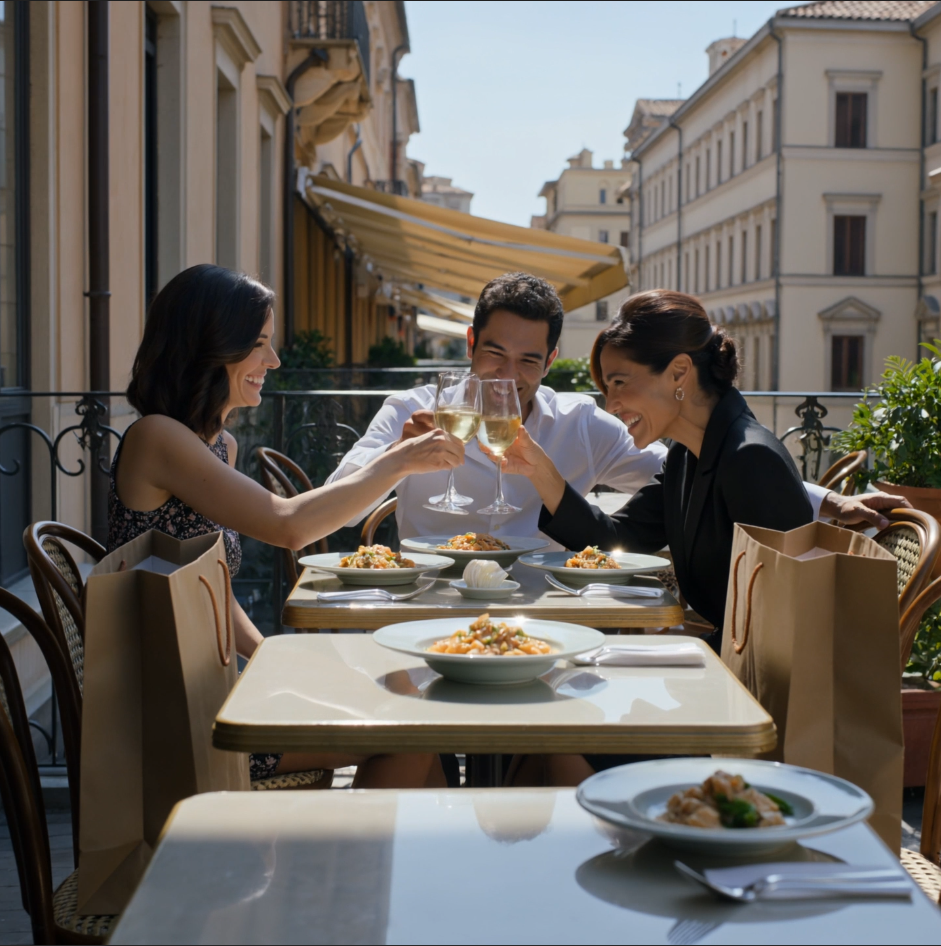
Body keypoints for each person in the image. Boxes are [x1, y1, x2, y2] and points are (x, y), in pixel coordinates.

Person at [496, 289, 907, 786]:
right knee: (549, 714)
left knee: (563, 733)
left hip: (756, 713)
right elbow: (618, 538)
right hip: (720, 677)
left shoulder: (750, 459)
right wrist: (541, 472)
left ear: (679, 373)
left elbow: (786, 633)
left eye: (619, 383)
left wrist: (673, 655)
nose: (612, 404)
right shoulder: (690, 456)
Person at [112, 263, 462, 788]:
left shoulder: (218, 445)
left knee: (404, 696)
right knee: (404, 727)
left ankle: (404, 842)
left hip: (213, 684)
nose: (273, 360)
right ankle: (357, 845)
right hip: (177, 716)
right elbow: (289, 525)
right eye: (259, 344)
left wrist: (272, 656)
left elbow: (213, 592)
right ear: (210, 346)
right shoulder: (156, 438)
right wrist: (398, 461)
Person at [328, 272, 907, 542]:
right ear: (470, 345)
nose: (507, 376)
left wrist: (829, 501)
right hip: (427, 610)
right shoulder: (410, 409)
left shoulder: (579, 423)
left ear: (551, 362)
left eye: (527, 361)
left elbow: (698, 467)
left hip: (550, 622)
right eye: (495, 354)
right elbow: (338, 514)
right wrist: (397, 459)